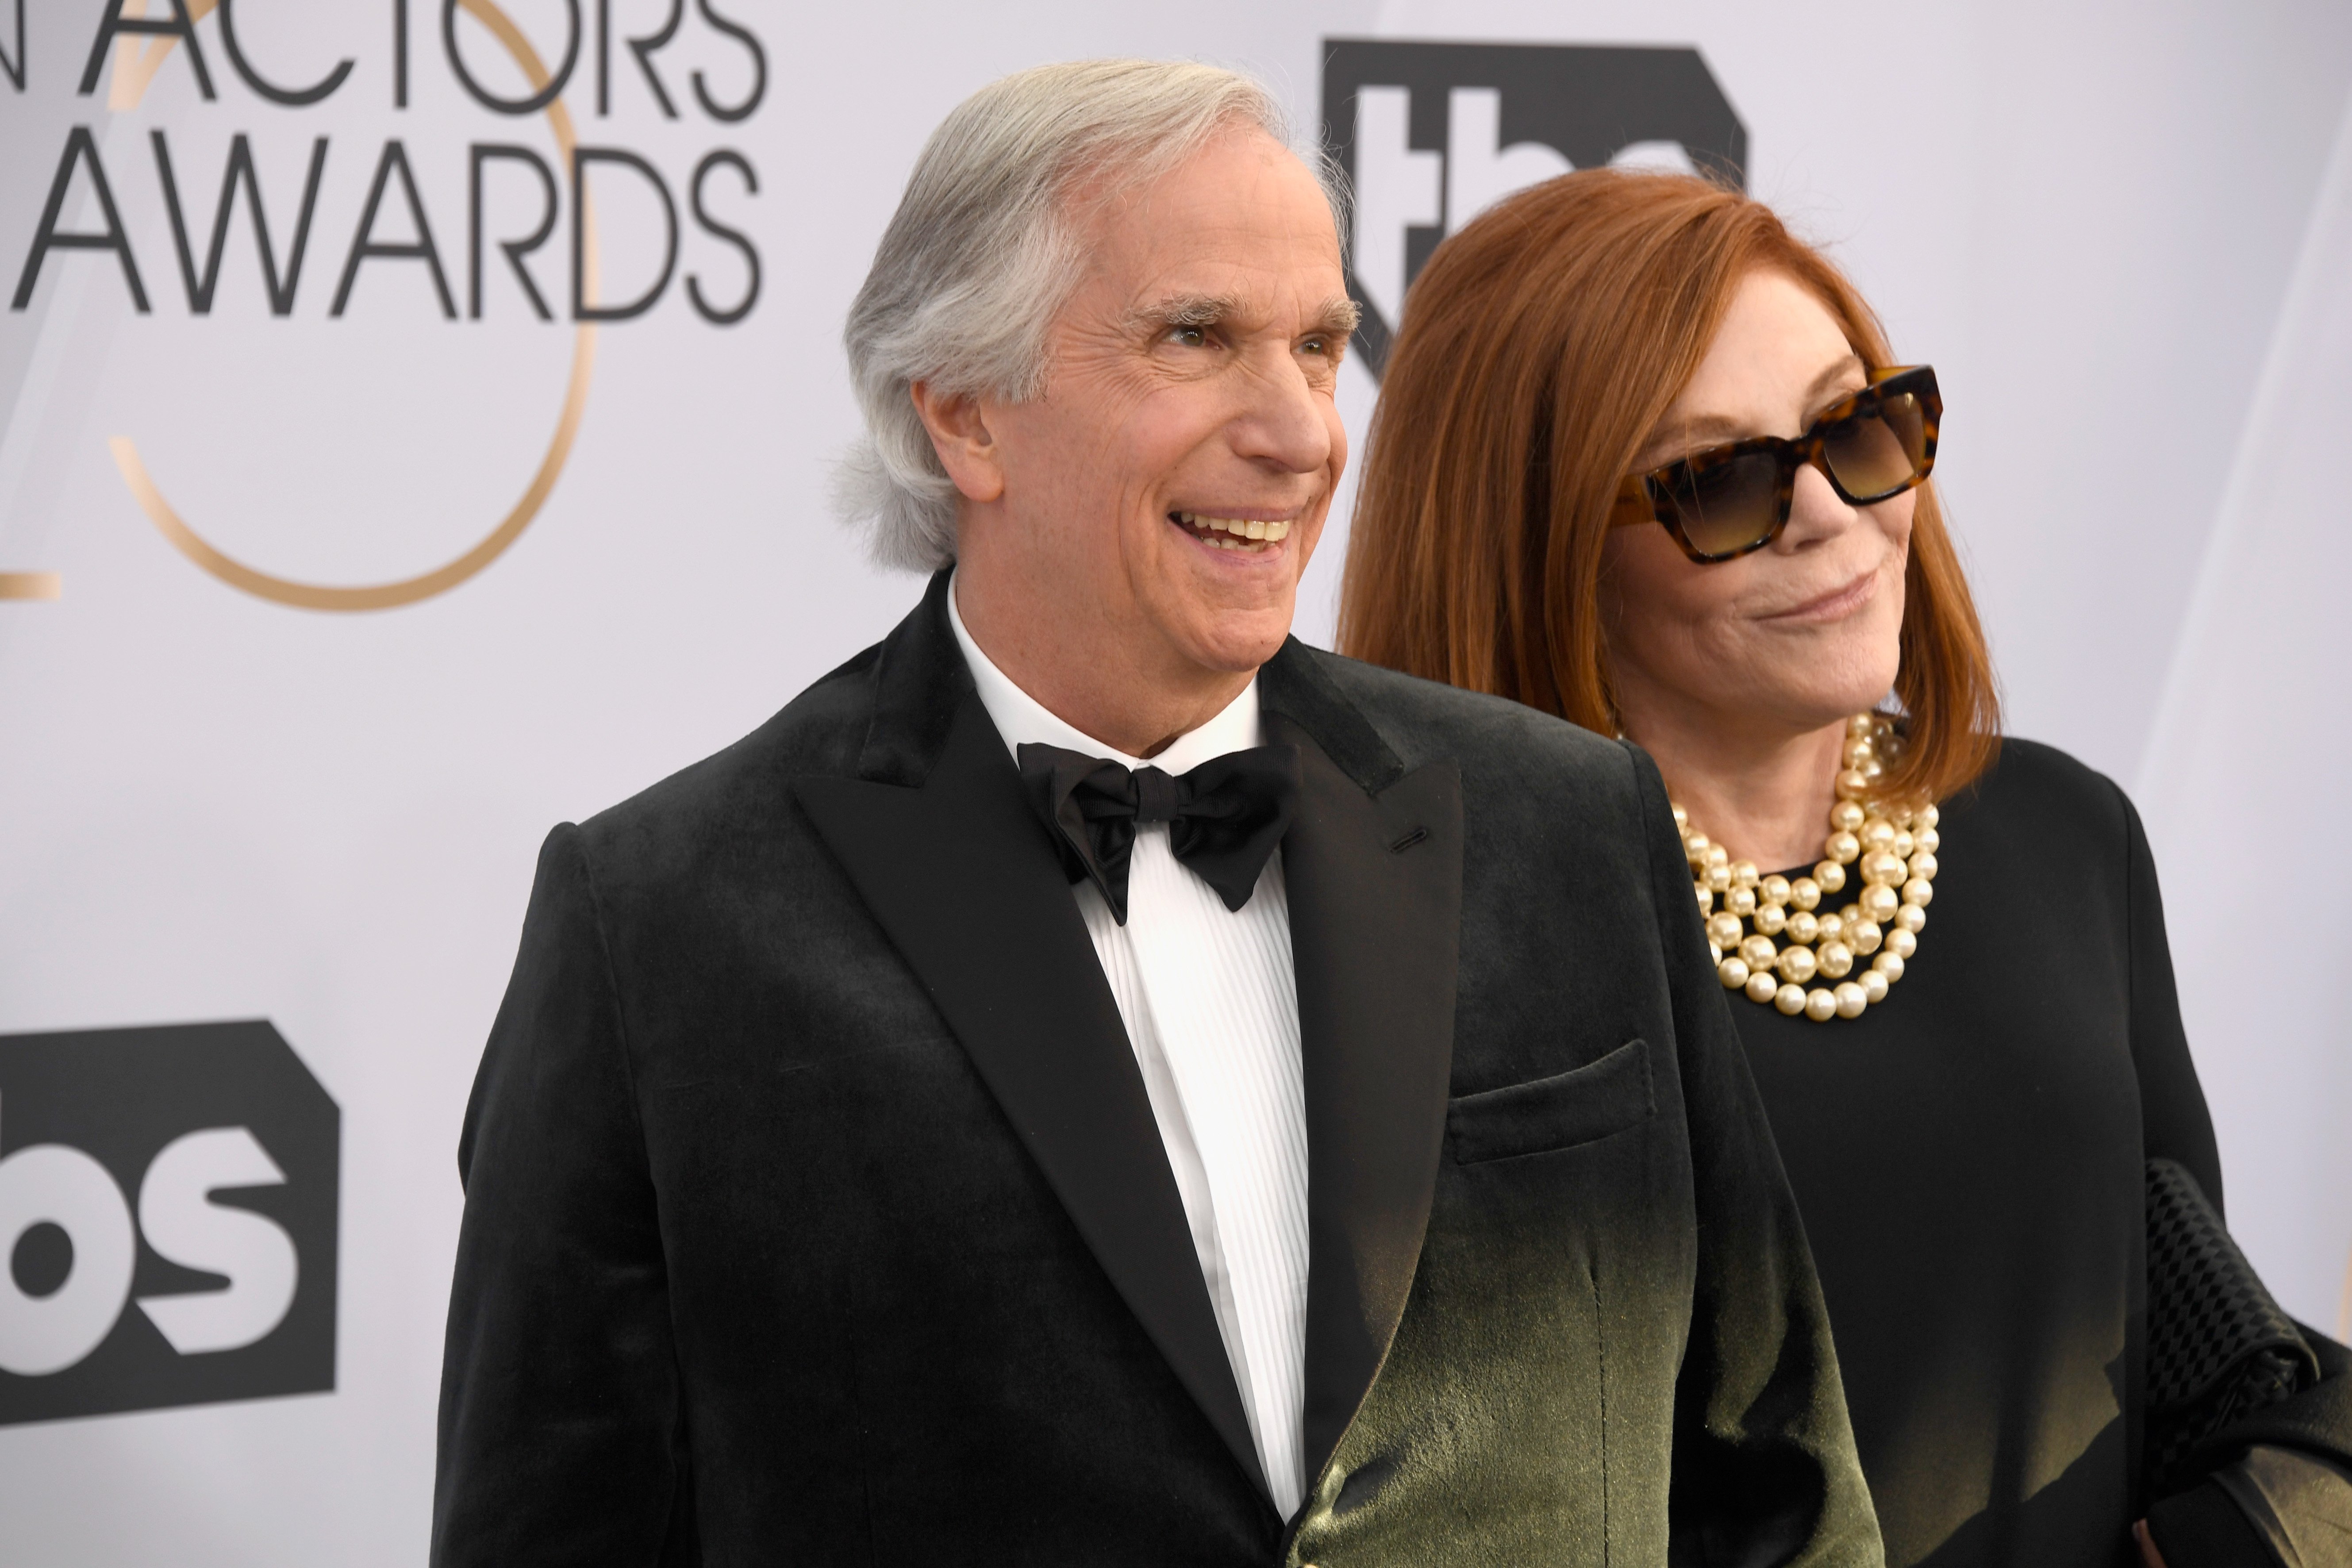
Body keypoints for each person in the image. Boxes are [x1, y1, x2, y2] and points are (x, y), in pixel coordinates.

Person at [431, 63, 1883, 1568]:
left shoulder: (1566, 824)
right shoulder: (662, 927)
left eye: (1319, 349)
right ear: (962, 419)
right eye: (1197, 338)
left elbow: (1772, 1484)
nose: (1301, 435)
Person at [1337, 168, 2352, 1568]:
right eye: (1725, 479)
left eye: (1856, 427)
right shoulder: (1440, 940)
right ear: (1542, 547)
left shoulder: (2062, 838)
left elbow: (2201, 1355)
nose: (1827, 511)